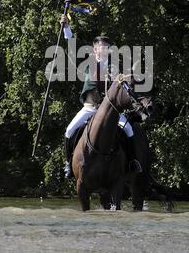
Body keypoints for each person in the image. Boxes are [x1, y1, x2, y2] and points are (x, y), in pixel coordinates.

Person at [60, 14, 142, 178]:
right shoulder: (88, 61)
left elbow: (123, 85)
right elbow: (72, 45)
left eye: (107, 46)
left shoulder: (115, 67)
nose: (104, 49)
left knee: (129, 130)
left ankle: (132, 161)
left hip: (110, 111)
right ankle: (69, 163)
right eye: (101, 46)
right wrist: (66, 27)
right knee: (69, 130)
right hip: (90, 108)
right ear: (95, 48)